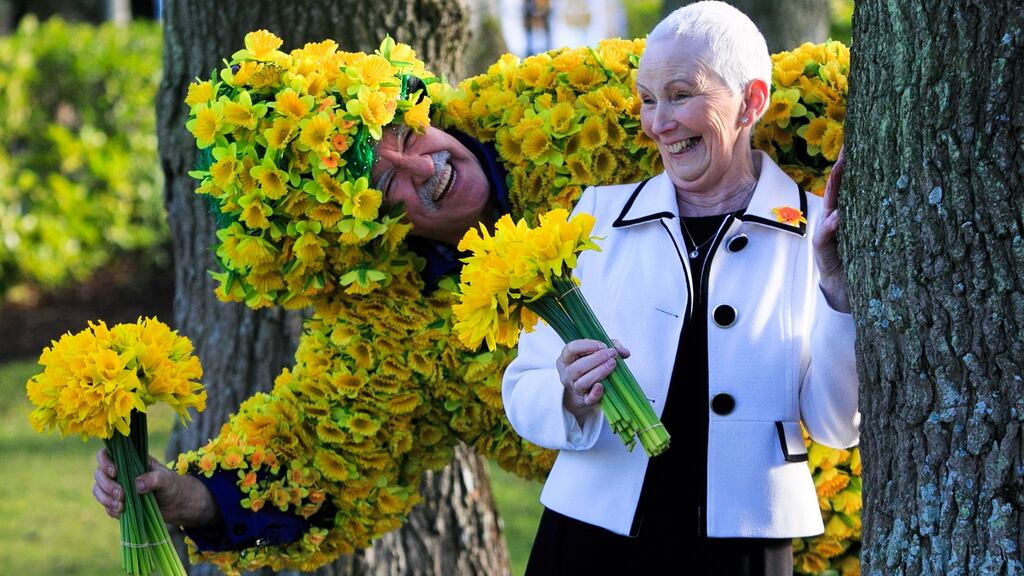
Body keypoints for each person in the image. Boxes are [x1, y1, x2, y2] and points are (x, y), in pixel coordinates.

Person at [501, 2, 859, 575]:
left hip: (743, 545)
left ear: (752, 101)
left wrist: (837, 292)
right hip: (591, 537)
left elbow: (839, 425)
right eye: (647, 99)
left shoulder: (816, 234)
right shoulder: (595, 218)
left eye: (680, 94)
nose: (657, 122)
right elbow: (523, 387)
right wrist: (566, 390)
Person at [92, 122, 510, 545]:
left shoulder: (555, 113)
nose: (423, 166)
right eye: (384, 185)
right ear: (368, 226)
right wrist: (190, 499)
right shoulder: (387, 326)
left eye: (407, 136)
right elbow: (319, 465)